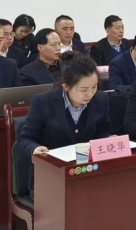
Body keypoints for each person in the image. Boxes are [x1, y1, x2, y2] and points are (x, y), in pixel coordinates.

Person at [17, 52, 110, 198]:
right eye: (83, 90)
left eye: (94, 87)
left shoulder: (101, 99)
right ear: (66, 87)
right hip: (50, 178)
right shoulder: (42, 102)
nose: (90, 94)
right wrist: (34, 148)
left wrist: (108, 139)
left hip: (88, 174)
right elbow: (24, 139)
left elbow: (103, 131)